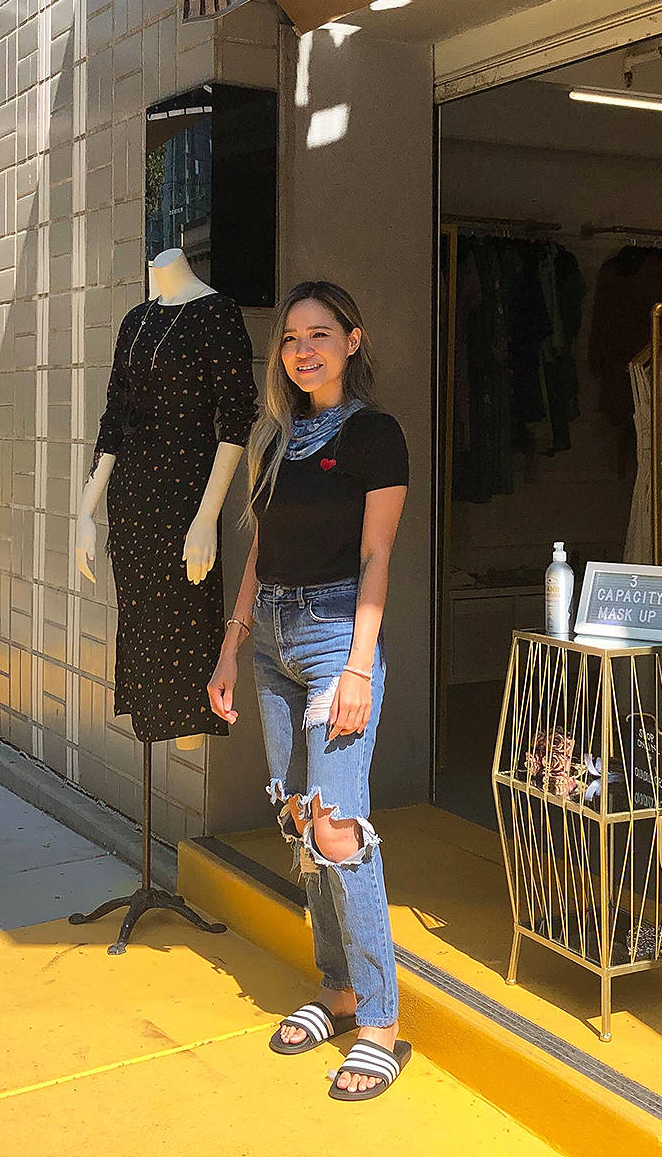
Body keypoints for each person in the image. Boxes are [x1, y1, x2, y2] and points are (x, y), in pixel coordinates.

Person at [208, 281, 411, 1101]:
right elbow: (260, 551)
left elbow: (376, 559)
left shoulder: (376, 435)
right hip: (274, 645)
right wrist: (232, 646)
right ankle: (337, 991)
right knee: (298, 821)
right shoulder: (273, 437)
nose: (303, 349)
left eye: (320, 334)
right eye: (291, 337)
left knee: (337, 829)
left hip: (335, 641)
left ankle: (384, 1028)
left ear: (352, 342)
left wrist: (359, 666)